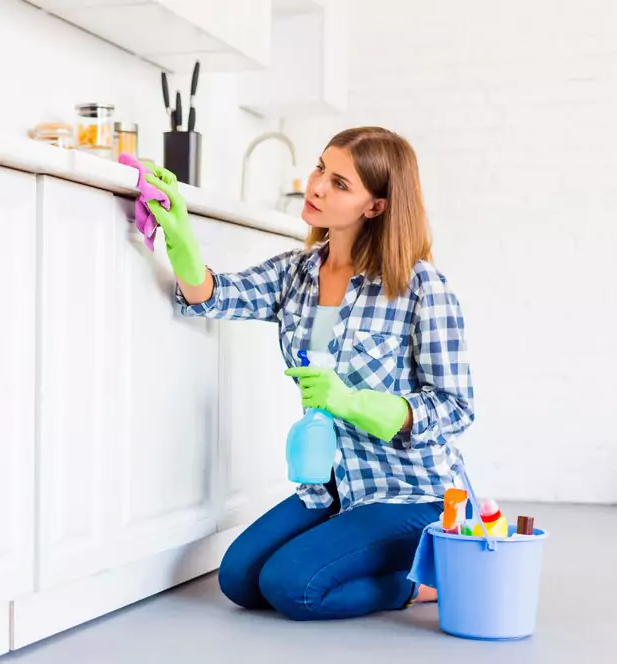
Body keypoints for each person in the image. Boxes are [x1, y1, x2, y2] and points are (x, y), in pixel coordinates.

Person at [143, 127, 474, 621]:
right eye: (321, 169)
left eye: (341, 184)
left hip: (414, 492)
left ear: (376, 207)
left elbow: (456, 407)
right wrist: (179, 231)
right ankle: (363, 553)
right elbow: (214, 295)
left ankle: (430, 583)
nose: (317, 186)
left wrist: (351, 402)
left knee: (292, 586)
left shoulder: (420, 285)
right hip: (333, 487)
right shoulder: (297, 273)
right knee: (238, 579)